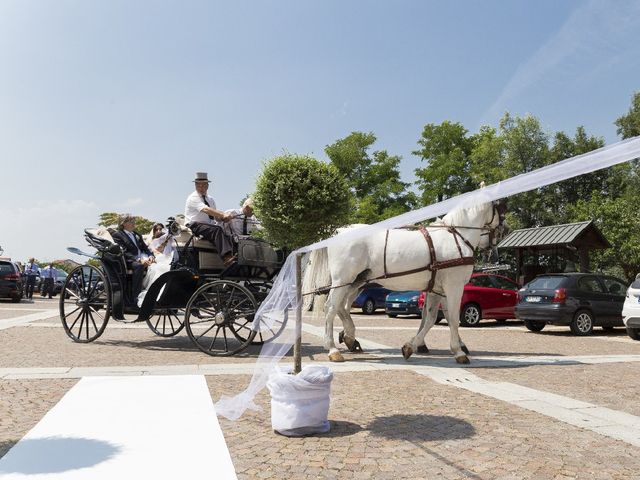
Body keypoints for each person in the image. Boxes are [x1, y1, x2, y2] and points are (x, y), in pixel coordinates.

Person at [184, 172, 235, 266]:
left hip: (208, 226)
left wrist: (224, 219)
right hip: (195, 225)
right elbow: (206, 210)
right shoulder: (193, 198)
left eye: (204, 184)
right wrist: (224, 214)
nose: (201, 187)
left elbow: (216, 217)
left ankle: (234, 257)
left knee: (229, 235)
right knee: (217, 230)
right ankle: (227, 258)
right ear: (195, 185)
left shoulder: (210, 199)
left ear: (208, 185)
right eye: (198, 185)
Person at [112, 214, 155, 306]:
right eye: (131, 221)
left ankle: (153, 294)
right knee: (139, 266)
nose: (133, 223)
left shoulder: (136, 234)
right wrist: (138, 259)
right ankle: (136, 297)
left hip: (143, 258)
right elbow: (123, 251)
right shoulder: (118, 235)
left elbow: (145, 248)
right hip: (128, 261)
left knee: (157, 265)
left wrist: (151, 256)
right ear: (123, 223)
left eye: (133, 221)